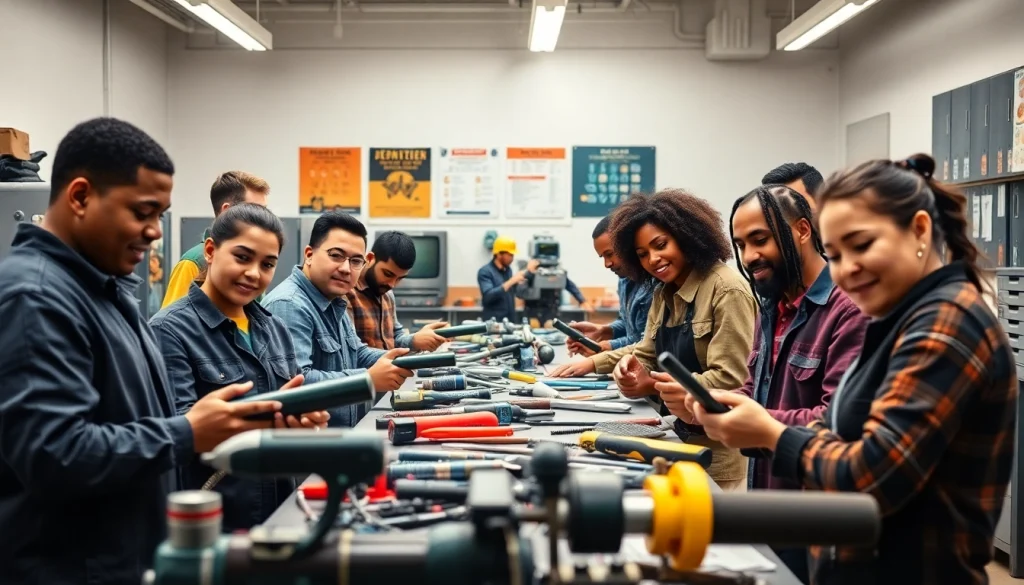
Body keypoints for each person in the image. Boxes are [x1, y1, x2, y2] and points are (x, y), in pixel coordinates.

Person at [687, 154, 1016, 585]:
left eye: (862, 246)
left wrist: (771, 432)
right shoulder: (898, 319)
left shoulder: (946, 324)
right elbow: (840, 429)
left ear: (919, 229)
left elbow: (872, 474)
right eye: (837, 254)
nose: (846, 270)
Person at [0, 117, 284, 585]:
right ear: (80, 197)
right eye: (143, 212)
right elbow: (56, 454)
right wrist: (187, 431)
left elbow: (137, 426)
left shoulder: (108, 294)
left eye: (160, 216)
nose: (155, 233)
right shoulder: (36, 298)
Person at [678, 184, 867, 582]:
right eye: (742, 245)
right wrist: (708, 406)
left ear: (802, 230)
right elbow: (752, 391)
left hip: (815, 516)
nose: (750, 257)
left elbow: (838, 424)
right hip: (768, 501)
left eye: (760, 240)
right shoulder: (773, 307)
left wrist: (759, 422)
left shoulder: (847, 310)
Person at [150, 203, 330, 532]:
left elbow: (288, 422)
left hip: (280, 512)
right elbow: (177, 434)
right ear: (210, 250)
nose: (254, 274)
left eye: (267, 264)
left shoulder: (274, 329)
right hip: (215, 521)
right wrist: (264, 422)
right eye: (242, 257)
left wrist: (303, 424)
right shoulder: (169, 330)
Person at [589, 189, 758, 490]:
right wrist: (628, 369)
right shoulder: (662, 293)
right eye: (642, 254)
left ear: (686, 235)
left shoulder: (727, 290)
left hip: (717, 458)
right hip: (676, 439)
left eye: (660, 245)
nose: (653, 259)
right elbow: (646, 353)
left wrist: (652, 384)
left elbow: (733, 380)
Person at [263, 211, 413, 428]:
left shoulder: (334, 300)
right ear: (309, 254)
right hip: (314, 447)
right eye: (336, 255)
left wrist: (403, 359)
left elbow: (357, 352)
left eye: (355, 261)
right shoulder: (289, 304)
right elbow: (297, 382)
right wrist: (367, 379)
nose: (345, 268)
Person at [549, 215, 654, 375]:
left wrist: (603, 350)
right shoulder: (625, 278)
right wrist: (603, 331)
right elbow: (627, 323)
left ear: (628, 245)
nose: (607, 264)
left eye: (610, 254)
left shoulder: (654, 286)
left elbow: (644, 343)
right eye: (603, 257)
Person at [161, 170, 270, 308]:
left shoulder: (255, 261)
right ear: (227, 211)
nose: (265, 219)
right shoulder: (193, 262)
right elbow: (169, 324)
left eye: (265, 211)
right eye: (255, 210)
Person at [346, 230, 450, 351]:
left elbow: (396, 338)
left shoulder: (387, 294)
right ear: (369, 259)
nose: (392, 284)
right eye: (387, 274)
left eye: (400, 278)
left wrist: (417, 340)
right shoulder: (347, 293)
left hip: (390, 368)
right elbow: (353, 351)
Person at [477, 235, 539, 322]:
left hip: (510, 322)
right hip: (494, 324)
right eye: (509, 254)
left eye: (513, 255)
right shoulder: (485, 272)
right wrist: (512, 281)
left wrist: (525, 276)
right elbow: (488, 296)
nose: (512, 258)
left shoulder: (507, 270)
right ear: (499, 254)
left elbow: (512, 290)